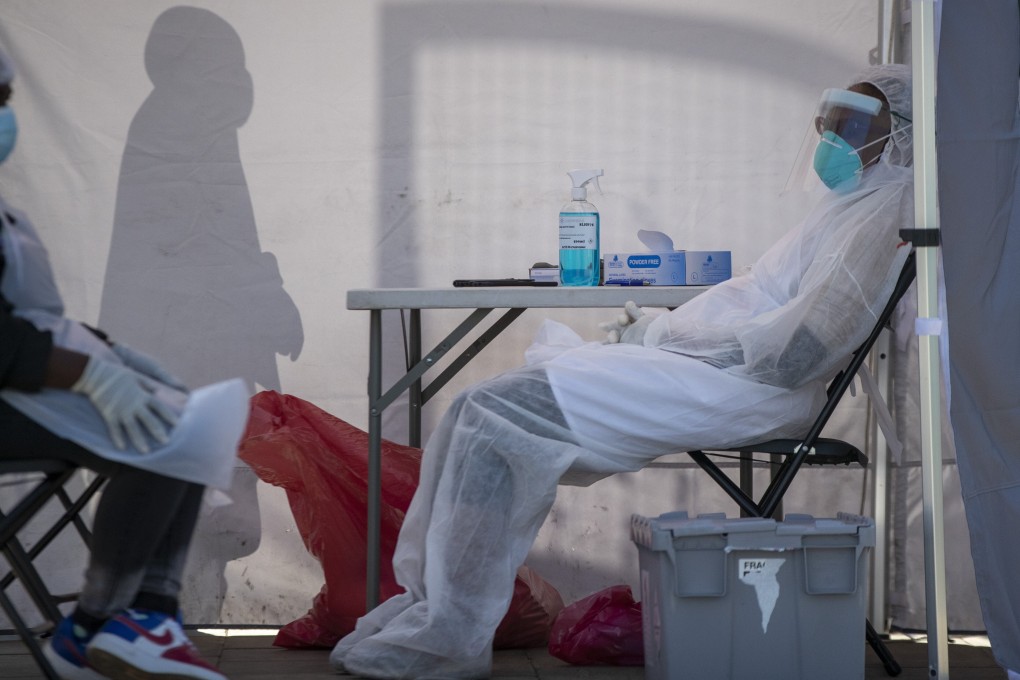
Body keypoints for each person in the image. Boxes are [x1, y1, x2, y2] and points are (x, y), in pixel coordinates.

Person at [330, 63, 915, 679]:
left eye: (852, 124)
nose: (831, 138)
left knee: (493, 415)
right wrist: (672, 333)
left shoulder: (882, 215)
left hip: (753, 387)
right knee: (477, 413)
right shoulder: (844, 208)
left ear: (898, 134)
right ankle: (435, 611)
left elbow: (799, 352)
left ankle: (451, 633)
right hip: (724, 370)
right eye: (828, 121)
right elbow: (759, 297)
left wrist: (671, 332)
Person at [0, 46, 247, 680]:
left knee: (196, 417)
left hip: (22, 383)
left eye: (2, 102)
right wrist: (90, 374)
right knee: (170, 433)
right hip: (11, 391)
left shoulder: (7, 213)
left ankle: (118, 624)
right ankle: (116, 620)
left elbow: (23, 316)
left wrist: (104, 349)